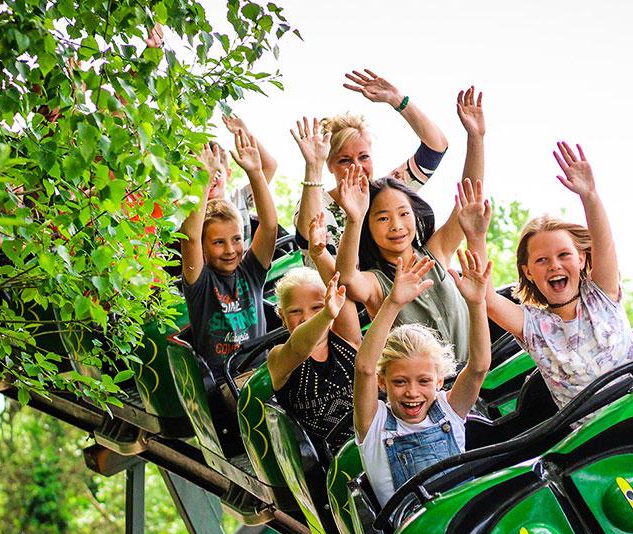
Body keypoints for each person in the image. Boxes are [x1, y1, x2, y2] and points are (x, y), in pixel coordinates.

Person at [460, 142, 633, 410]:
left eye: (563, 255)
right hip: (595, 437)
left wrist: (589, 196)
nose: (554, 265)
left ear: (581, 259)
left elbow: (604, 244)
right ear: (529, 273)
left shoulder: (601, 294)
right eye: (542, 260)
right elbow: (487, 299)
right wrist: (476, 237)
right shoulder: (534, 325)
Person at [334, 87, 486, 362]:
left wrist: (475, 137)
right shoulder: (377, 282)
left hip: (471, 383)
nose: (396, 226)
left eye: (403, 214)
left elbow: (469, 198)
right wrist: (354, 218)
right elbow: (347, 278)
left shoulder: (435, 253)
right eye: (382, 218)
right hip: (418, 396)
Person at [353, 249, 491, 508]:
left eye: (424, 381)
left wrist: (476, 304)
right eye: (400, 382)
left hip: (462, 520)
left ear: (439, 381)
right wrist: (392, 303)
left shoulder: (448, 409)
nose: (412, 392)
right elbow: (364, 368)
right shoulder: (374, 423)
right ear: (382, 382)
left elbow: (479, 367)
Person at [291, 69, 450, 259]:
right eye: (345, 160)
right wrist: (313, 166)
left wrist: (397, 100)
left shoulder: (386, 193)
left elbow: (436, 147)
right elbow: (309, 242)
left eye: (363, 157)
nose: (356, 167)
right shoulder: (317, 201)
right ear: (330, 164)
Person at [180, 138, 278, 389]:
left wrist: (255, 172)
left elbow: (269, 227)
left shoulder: (250, 273)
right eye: (218, 243)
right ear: (204, 247)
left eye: (235, 239)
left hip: (263, 373)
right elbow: (190, 236)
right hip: (228, 384)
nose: (230, 250)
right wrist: (204, 178)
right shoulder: (200, 283)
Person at [267, 213, 362, 446]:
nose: (307, 317)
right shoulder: (279, 356)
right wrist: (325, 314)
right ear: (282, 316)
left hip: (371, 438)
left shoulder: (345, 338)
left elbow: (341, 287)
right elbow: (301, 346)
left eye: (316, 307)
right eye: (295, 312)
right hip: (332, 457)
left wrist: (319, 254)